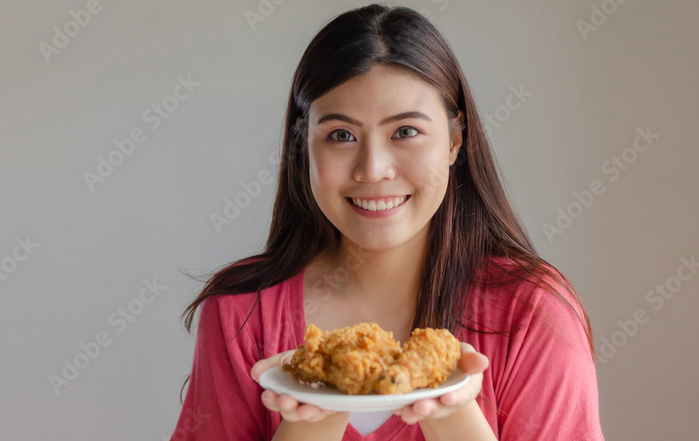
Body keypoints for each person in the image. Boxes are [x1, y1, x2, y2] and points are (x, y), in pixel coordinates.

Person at [170, 4, 603, 441]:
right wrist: (309, 418)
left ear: (455, 141)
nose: (373, 169)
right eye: (341, 136)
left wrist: (451, 411)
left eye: (405, 132)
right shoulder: (241, 313)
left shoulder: (534, 313)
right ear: (303, 147)